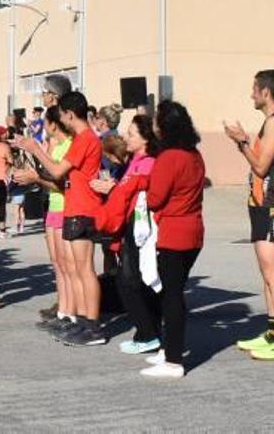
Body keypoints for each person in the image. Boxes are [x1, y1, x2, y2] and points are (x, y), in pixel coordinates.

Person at [14, 91, 104, 345]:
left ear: (70, 114)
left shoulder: (85, 139)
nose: (61, 118)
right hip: (75, 206)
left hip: (83, 208)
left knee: (84, 270)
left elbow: (55, 170)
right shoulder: (83, 139)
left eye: (62, 113)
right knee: (77, 268)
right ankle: (83, 321)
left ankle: (92, 326)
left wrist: (35, 149)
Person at [139, 100, 205, 378]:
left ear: (164, 126)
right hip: (194, 230)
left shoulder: (169, 157)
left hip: (173, 233)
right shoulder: (194, 155)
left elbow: (155, 199)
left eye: (156, 121)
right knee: (173, 293)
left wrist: (144, 185)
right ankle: (169, 351)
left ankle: (174, 360)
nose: (153, 125)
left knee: (172, 297)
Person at [92, 116, 160, 355]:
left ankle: (148, 333)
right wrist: (114, 187)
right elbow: (126, 188)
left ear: (145, 139)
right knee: (130, 279)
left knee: (132, 280)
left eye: (132, 134)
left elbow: (144, 193)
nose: (126, 138)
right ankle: (149, 333)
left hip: (141, 227)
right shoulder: (135, 160)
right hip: (130, 225)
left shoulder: (150, 162)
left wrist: (115, 189)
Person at [14, 106, 76, 333]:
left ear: (52, 124)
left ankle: (70, 313)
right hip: (53, 206)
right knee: (57, 264)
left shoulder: (69, 146)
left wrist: (36, 178)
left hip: (64, 207)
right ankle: (63, 310)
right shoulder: (56, 146)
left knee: (67, 266)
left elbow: (60, 183)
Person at [226, 70, 274, 360]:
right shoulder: (268, 123)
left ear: (266, 92)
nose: (251, 94)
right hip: (261, 206)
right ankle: (271, 333)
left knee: (272, 274)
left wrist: (242, 141)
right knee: (266, 275)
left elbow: (261, 167)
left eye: (254, 89)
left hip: (270, 206)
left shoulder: (273, 123)